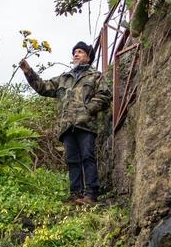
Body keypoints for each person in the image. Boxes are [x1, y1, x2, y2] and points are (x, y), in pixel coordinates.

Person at [20, 41, 111, 205]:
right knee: (72, 160)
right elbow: (43, 87)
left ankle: (91, 194)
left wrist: (87, 110)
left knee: (88, 157)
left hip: (86, 124)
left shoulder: (95, 76)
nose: (76, 54)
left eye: (80, 52)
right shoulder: (64, 78)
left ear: (88, 57)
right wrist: (28, 72)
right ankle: (75, 194)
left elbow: (104, 96)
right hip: (67, 126)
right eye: (75, 52)